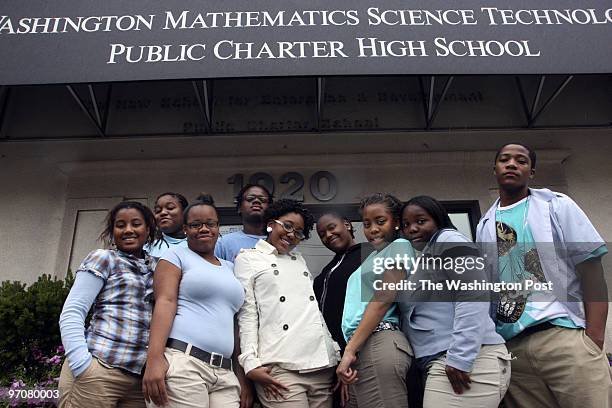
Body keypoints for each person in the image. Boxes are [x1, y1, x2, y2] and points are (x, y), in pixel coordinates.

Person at [477, 142, 611, 408]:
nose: (512, 164)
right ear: (495, 169)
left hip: (563, 337)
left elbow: (592, 270)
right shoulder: (484, 226)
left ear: (532, 172)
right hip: (513, 349)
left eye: (521, 160)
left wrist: (593, 339)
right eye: (505, 159)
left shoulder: (557, 206)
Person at [399, 195, 510, 408]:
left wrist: (460, 357)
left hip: (469, 360)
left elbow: (473, 294)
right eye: (406, 225)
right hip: (444, 361)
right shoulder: (426, 257)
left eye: (421, 221)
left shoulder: (448, 241)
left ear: (439, 220)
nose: (412, 229)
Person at [143, 194, 250, 408]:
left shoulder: (230, 268)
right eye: (195, 224)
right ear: (185, 229)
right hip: (184, 363)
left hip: (224, 373)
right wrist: (154, 360)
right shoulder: (175, 256)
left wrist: (242, 378)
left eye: (210, 224)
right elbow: (165, 302)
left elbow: (236, 324)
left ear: (219, 228)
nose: (204, 229)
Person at [235, 199, 341, 408]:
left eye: (299, 232)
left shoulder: (299, 260)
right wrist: (250, 363)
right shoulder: (249, 258)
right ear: (271, 224)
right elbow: (247, 314)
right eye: (288, 226)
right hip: (280, 366)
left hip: (321, 366)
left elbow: (312, 313)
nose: (292, 234)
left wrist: (334, 352)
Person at [58, 201, 158, 408]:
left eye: (136, 224)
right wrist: (82, 364)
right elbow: (73, 311)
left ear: (148, 229)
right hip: (100, 369)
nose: (128, 230)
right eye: (120, 225)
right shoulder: (103, 258)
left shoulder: (158, 266)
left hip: (139, 380)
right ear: (113, 231)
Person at [338, 193, 413, 408]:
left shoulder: (400, 246)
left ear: (396, 222)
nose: (373, 229)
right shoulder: (371, 257)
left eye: (381, 222)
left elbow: (383, 299)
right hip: (361, 344)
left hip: (380, 339)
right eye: (367, 224)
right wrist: (352, 350)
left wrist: (350, 351)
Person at [315, 212, 373, 352]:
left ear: (347, 225)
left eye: (332, 227)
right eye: (322, 234)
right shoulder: (326, 271)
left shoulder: (370, 253)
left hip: (364, 345)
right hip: (332, 351)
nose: (328, 235)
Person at [215, 184, 272, 262]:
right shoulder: (223, 244)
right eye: (250, 199)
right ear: (239, 208)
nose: (256, 201)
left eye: (262, 200)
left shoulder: (281, 242)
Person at [147, 192, 189, 258]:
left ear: (185, 212)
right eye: (158, 211)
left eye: (170, 208)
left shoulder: (198, 246)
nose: (163, 213)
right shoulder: (147, 250)